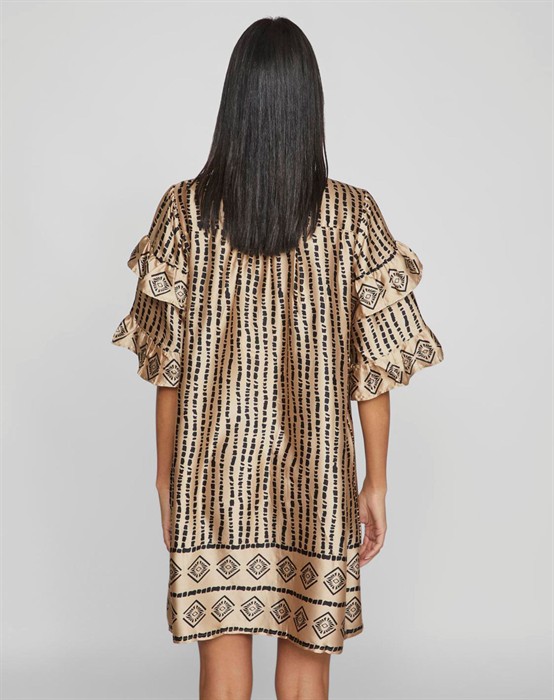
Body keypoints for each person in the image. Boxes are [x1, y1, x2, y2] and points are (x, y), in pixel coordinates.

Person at [111, 16, 444, 700]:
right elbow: (374, 373)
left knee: (222, 676)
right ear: (308, 105)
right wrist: (375, 483)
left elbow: (167, 370)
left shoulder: (184, 213)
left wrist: (165, 479)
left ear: (234, 101)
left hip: (211, 474)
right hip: (316, 475)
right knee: (305, 674)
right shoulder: (352, 217)